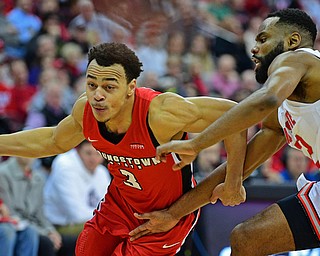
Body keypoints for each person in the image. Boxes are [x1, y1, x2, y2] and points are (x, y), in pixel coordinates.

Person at [0, 42, 247, 255]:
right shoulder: (85, 111)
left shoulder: (160, 113)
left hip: (166, 217)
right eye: (91, 84)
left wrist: (234, 181)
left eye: (109, 87)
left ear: (131, 88)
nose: (97, 95)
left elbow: (236, 115)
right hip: (119, 205)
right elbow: (52, 140)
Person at [128, 8, 320, 255]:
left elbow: (266, 99)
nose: (254, 48)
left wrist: (196, 145)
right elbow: (239, 168)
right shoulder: (282, 113)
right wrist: (173, 214)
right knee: (247, 239)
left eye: (263, 39)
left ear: (292, 41)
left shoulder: (297, 58)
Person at [0, 156, 77, 256]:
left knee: (68, 242)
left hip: (31, 226)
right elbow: (10, 213)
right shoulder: (3, 173)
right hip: (14, 223)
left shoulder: (39, 177)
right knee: (41, 240)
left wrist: (51, 231)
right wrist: (45, 232)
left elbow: (40, 213)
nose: (28, 154)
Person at [44, 140, 112, 236]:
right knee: (107, 233)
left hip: (90, 221)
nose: (93, 159)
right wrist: (106, 219)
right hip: (58, 226)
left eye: (97, 154)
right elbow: (77, 215)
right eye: (88, 153)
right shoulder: (65, 165)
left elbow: (109, 207)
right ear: (78, 151)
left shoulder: (102, 172)